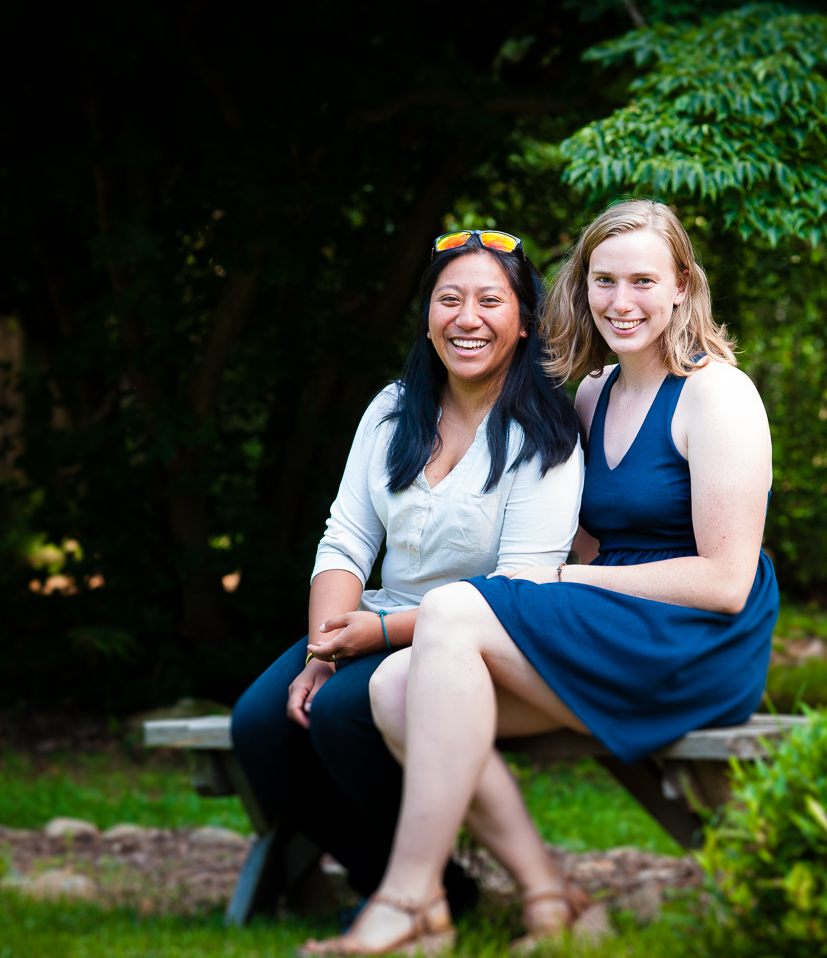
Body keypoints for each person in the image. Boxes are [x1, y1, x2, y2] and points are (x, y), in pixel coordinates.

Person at [308, 201, 778, 955]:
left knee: (457, 610)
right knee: (397, 689)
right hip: (617, 624)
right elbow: (589, 543)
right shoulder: (593, 393)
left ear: (684, 285)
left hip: (696, 641)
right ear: (582, 288)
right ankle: (551, 898)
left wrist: (565, 584)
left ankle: (409, 900)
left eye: (643, 282)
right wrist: (567, 582)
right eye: (603, 281)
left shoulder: (719, 395)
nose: (621, 302)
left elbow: (724, 581)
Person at [230, 228, 583, 922]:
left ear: (524, 322)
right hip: (370, 622)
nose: (467, 317)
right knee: (259, 727)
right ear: (427, 318)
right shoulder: (393, 411)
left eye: (490, 300)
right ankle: (424, 883)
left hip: (474, 639)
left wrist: (378, 633)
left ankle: (413, 892)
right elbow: (346, 541)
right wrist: (323, 650)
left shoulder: (546, 436)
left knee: (340, 718)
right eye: (449, 299)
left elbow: (519, 592)